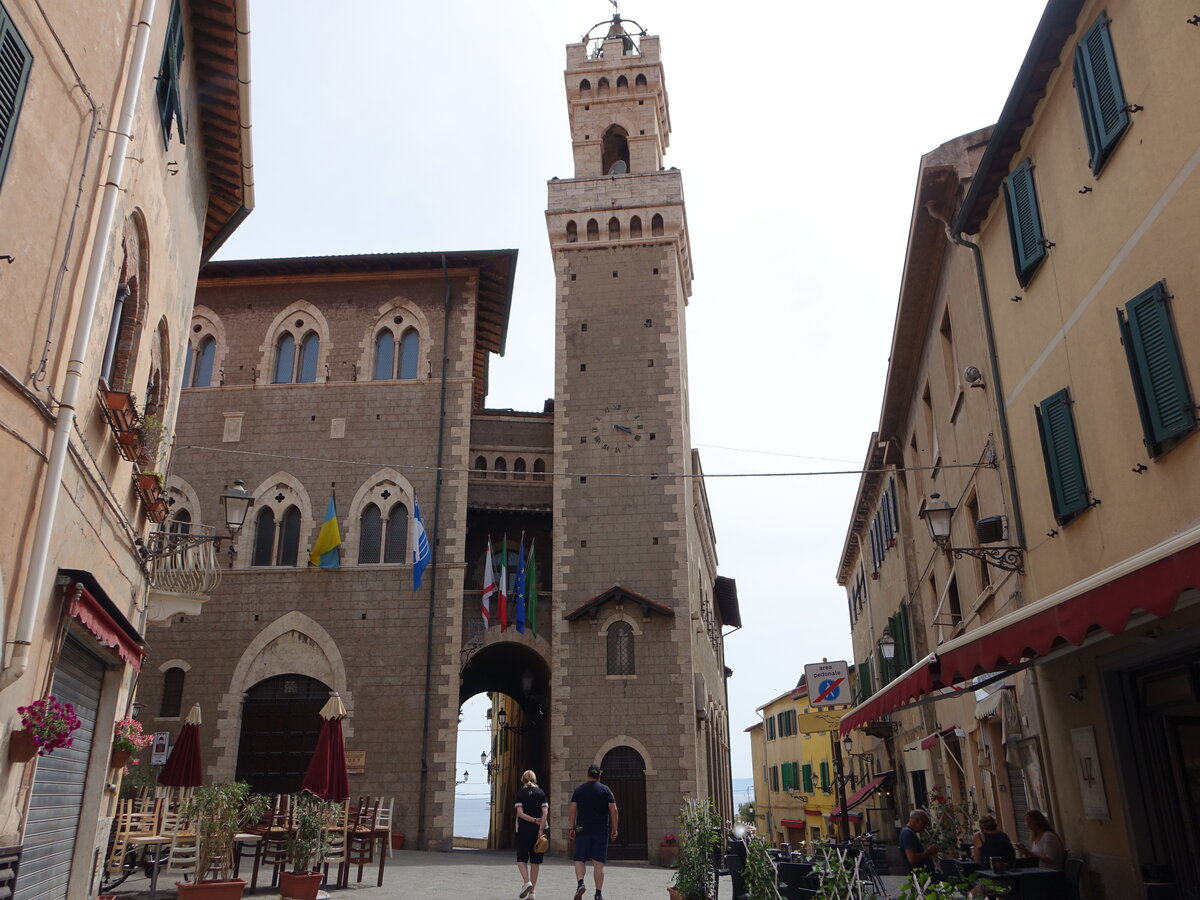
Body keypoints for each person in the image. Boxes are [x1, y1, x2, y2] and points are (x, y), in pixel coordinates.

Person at [568, 763, 618, 900]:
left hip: (582, 829)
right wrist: (614, 829)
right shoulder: (606, 790)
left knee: (579, 859)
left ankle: (580, 883)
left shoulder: (579, 790)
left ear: (587, 774)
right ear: (599, 775)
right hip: (600, 830)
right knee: (598, 864)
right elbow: (614, 810)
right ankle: (598, 894)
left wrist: (572, 827)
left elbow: (572, 810)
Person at [514, 769, 548, 899]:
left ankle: (526, 882)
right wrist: (540, 829)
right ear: (535, 779)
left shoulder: (520, 794)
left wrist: (532, 820)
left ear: (522, 780)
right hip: (537, 832)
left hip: (523, 830)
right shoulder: (541, 793)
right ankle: (532, 893)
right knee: (535, 862)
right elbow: (545, 813)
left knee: (521, 859)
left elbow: (520, 814)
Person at [899, 809, 940, 874]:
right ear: (917, 821)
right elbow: (912, 858)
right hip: (923, 876)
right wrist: (929, 852)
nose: (925, 827)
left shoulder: (909, 832)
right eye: (924, 823)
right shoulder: (907, 833)